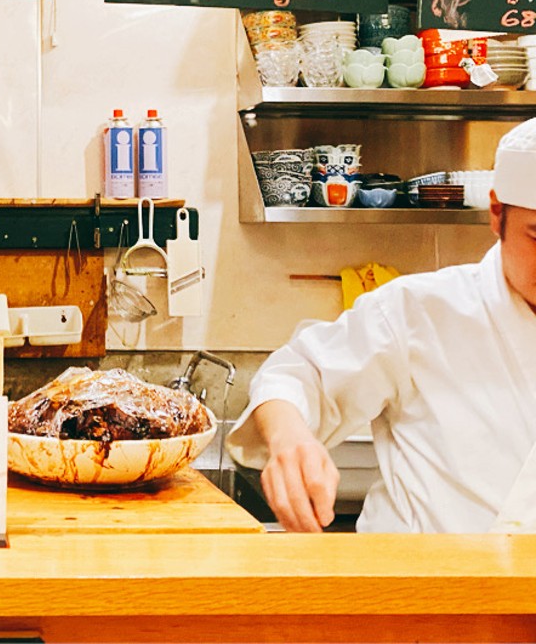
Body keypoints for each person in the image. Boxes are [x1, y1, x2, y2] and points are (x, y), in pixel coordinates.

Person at [226, 117, 536, 533]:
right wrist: (290, 439)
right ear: (496, 214)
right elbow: (298, 374)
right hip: (419, 590)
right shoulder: (419, 310)